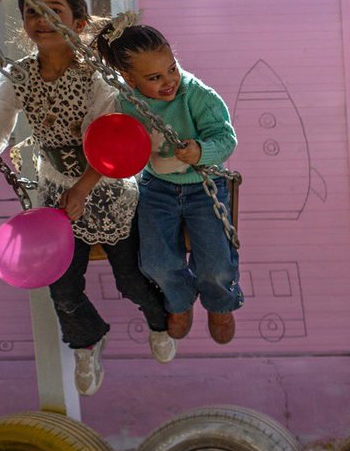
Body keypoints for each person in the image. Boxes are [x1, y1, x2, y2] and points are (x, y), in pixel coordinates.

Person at [0, 0, 175, 396]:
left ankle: (159, 321)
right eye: (31, 11)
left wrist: (84, 189)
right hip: (57, 193)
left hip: (107, 188)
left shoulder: (97, 76)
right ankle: (87, 343)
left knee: (130, 278)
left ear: (77, 23)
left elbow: (110, 138)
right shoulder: (17, 76)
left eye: (53, 9)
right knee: (63, 287)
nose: (41, 18)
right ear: (24, 25)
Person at [95, 17, 243, 344]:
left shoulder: (197, 95)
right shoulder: (124, 103)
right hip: (157, 187)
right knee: (156, 262)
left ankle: (220, 302)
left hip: (204, 185)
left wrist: (202, 150)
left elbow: (226, 139)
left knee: (216, 264)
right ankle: (179, 300)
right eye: (154, 77)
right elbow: (120, 145)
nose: (168, 81)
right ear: (129, 80)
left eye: (172, 69)